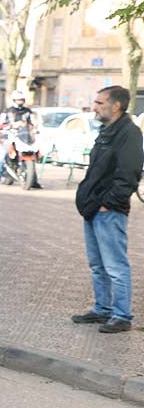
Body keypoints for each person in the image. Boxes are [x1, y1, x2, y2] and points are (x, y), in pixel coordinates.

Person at [71, 86, 143, 334]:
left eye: (100, 102)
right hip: (93, 209)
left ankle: (122, 316)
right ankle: (102, 309)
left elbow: (129, 174)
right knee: (97, 264)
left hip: (108, 211)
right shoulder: (106, 131)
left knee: (115, 266)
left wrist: (108, 203)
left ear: (116, 105)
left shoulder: (129, 133)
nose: (94, 106)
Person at [0, 89, 38, 188]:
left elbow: (34, 123)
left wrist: (33, 128)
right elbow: (1, 125)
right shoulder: (7, 112)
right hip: (10, 136)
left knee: (33, 155)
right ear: (14, 100)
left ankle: (34, 181)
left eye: (22, 100)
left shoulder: (28, 112)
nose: (20, 102)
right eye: (18, 100)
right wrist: (12, 125)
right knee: (2, 157)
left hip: (24, 137)